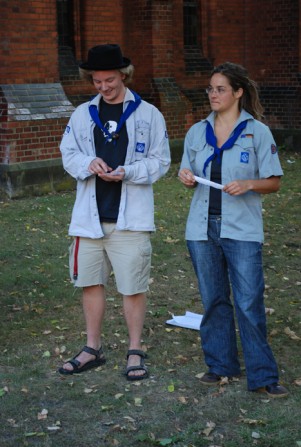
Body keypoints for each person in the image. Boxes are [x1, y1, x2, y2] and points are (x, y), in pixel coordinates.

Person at [58, 44, 170, 380]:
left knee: (132, 286)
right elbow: (68, 154)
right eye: (96, 81)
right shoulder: (82, 114)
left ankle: (135, 350)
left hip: (130, 219)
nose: (103, 87)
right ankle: (92, 348)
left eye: (109, 80)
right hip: (89, 219)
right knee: (90, 283)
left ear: (123, 75)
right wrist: (87, 163)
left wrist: (128, 172)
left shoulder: (148, 114)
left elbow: (161, 161)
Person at [178, 62, 288, 398]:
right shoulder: (197, 132)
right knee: (213, 300)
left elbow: (274, 182)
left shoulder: (258, 132)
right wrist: (185, 177)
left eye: (220, 88)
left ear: (238, 92)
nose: (213, 94)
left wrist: (248, 184)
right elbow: (188, 170)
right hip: (202, 228)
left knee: (249, 301)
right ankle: (220, 365)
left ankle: (263, 376)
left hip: (241, 230)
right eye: (210, 88)